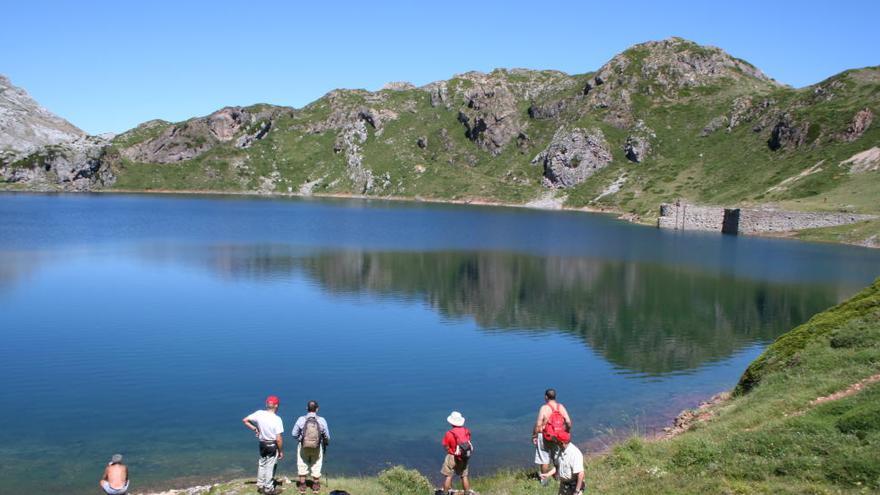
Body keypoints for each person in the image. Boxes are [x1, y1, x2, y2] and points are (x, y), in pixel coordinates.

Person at [243, 395, 285, 495]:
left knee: (262, 464)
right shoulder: (277, 419)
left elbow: (245, 420)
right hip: (272, 444)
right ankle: (268, 489)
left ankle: (260, 485)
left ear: (267, 404)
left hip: (262, 443)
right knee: (270, 466)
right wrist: (280, 451)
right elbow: (278, 439)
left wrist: (255, 428)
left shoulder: (259, 413)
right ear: (276, 406)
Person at [291, 400, 330, 494]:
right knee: (316, 464)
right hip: (316, 447)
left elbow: (293, 434)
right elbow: (327, 436)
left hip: (303, 446)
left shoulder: (301, 419)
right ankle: (315, 486)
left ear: (306, 409)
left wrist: (301, 439)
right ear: (317, 409)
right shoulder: (322, 420)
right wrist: (325, 442)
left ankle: (302, 486)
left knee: (302, 463)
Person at [533, 388, 572, 480]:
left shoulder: (544, 408)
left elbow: (538, 425)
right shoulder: (560, 407)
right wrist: (566, 432)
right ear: (555, 396)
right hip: (557, 437)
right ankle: (558, 477)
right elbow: (568, 422)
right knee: (557, 458)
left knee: (544, 459)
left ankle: (544, 480)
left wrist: (534, 436)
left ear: (546, 397)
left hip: (545, 436)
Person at [441, 411, 473, 495]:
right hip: (464, 457)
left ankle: (444, 493)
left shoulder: (449, 433)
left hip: (452, 456)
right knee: (464, 476)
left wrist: (450, 450)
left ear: (451, 422)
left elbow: (445, 445)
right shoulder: (466, 431)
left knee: (448, 476)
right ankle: (466, 493)